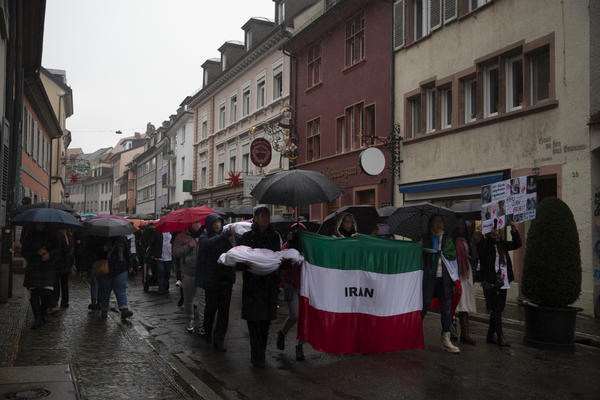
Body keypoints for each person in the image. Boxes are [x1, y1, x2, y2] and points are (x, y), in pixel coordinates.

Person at [237, 206, 283, 367]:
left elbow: (278, 258)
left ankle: (261, 354)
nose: (266, 219)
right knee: (253, 322)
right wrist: (244, 264)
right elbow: (238, 261)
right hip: (252, 286)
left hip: (269, 286)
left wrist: (281, 265)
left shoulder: (275, 236)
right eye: (263, 216)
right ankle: (255, 355)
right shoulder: (247, 237)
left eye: (268, 216)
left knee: (265, 322)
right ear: (255, 218)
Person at [478, 221, 521, 347]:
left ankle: (490, 335)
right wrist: (490, 238)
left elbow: (517, 244)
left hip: (503, 281)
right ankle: (500, 336)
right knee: (496, 309)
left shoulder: (502, 245)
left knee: (499, 309)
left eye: (497, 230)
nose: (496, 232)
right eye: (493, 230)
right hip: (491, 283)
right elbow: (482, 252)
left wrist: (514, 231)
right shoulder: (485, 245)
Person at [421, 214, 460, 353]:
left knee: (446, 309)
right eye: (436, 221)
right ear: (431, 224)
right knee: (424, 304)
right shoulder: (425, 239)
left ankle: (446, 339)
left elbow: (452, 261)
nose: (439, 224)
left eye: (441, 221)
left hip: (444, 279)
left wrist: (455, 282)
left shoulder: (448, 240)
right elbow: (419, 256)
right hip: (429, 277)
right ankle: (414, 332)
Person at [196, 213, 233, 352]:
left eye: (219, 222)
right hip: (212, 281)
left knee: (224, 312)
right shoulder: (204, 238)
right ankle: (207, 332)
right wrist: (225, 235)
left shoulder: (225, 238)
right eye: (215, 222)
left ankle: (219, 340)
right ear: (210, 224)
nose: (217, 225)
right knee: (211, 309)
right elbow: (210, 244)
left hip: (226, 280)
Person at [21, 223, 61, 329]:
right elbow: (24, 251)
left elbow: (58, 249)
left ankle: (43, 313)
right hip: (34, 267)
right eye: (37, 223)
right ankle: (37, 318)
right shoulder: (29, 234)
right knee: (34, 294)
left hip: (47, 268)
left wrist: (49, 254)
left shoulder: (52, 234)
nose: (39, 225)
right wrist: (37, 252)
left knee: (46, 293)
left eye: (41, 223)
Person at [277, 223, 307, 361]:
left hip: (306, 286)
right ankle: (282, 333)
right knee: (295, 315)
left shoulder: (308, 249)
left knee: (305, 318)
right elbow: (282, 268)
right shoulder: (286, 248)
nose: (290, 234)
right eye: (290, 231)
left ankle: (300, 346)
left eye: (294, 232)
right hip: (291, 285)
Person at [172, 221, 204, 334]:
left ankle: (201, 324)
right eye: (195, 222)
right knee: (188, 300)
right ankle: (190, 320)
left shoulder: (204, 235)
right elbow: (175, 253)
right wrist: (188, 247)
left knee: (202, 301)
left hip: (202, 273)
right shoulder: (181, 236)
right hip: (188, 273)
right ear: (190, 223)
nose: (198, 224)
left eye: (199, 222)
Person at [96, 235, 134, 321]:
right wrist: (102, 250)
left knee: (121, 289)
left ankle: (124, 309)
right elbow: (92, 252)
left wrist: (130, 265)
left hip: (120, 269)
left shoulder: (122, 239)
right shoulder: (100, 239)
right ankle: (104, 310)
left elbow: (127, 253)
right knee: (105, 291)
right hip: (105, 269)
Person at [454, 217, 476, 345]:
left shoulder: (467, 241)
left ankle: (465, 333)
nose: (462, 227)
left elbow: (473, 257)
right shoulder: (454, 241)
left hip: (466, 273)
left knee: (465, 305)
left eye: (464, 225)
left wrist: (473, 243)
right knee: (458, 304)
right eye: (460, 225)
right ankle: (452, 331)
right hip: (457, 274)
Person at [52, 228, 73, 309]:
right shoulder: (67, 235)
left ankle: (57, 301)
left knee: (57, 283)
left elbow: (65, 250)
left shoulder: (61, 235)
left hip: (60, 263)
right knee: (63, 283)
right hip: (64, 263)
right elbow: (69, 249)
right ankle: (64, 301)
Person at [156, 231, 173, 295]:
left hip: (169, 257)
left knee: (167, 273)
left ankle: (166, 288)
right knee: (161, 273)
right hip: (160, 257)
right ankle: (161, 288)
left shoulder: (171, 233)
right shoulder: (158, 233)